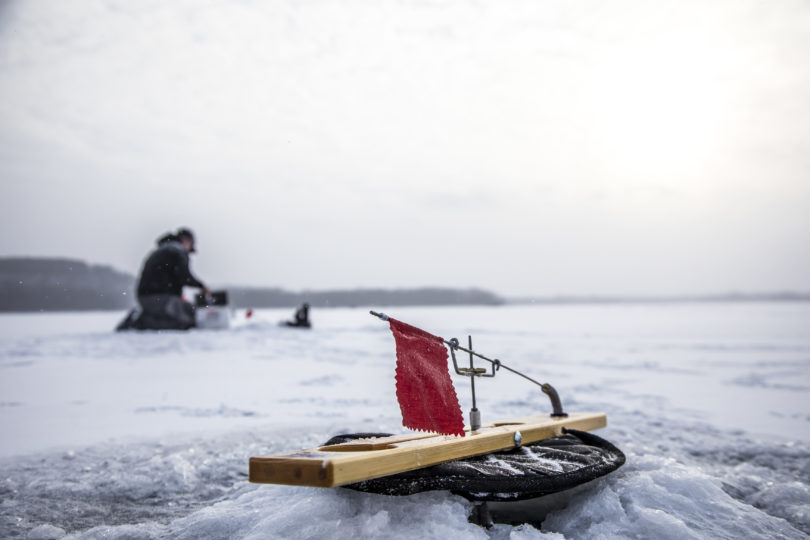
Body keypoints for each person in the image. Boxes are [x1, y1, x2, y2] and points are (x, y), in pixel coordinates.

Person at [119, 228, 209, 331]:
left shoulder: (163, 249)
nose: (189, 252)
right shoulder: (178, 251)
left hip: (146, 297)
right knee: (188, 320)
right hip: (160, 299)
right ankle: (141, 323)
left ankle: (144, 317)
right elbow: (184, 277)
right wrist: (201, 286)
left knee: (187, 311)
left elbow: (172, 277)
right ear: (186, 241)